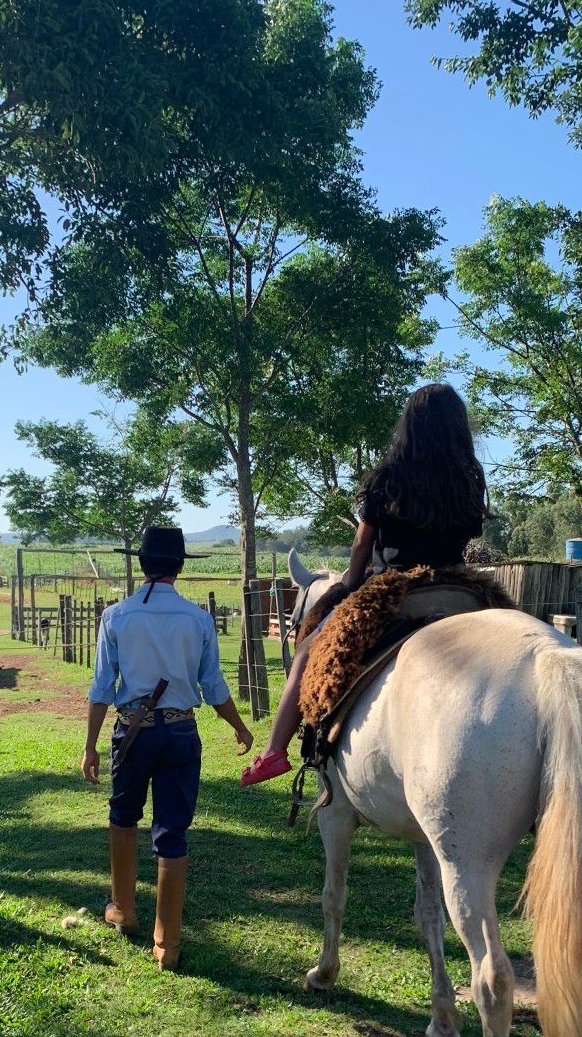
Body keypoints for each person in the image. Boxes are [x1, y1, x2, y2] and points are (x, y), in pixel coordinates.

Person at [240, 383, 488, 786]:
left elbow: (362, 542)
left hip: (395, 587)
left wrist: (349, 585)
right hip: (459, 585)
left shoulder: (389, 478)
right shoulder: (469, 479)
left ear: (410, 426)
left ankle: (274, 752)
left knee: (308, 650)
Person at [83, 524, 254, 969]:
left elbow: (103, 688)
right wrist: (238, 725)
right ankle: (168, 945)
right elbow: (213, 686)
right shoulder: (198, 619)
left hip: (132, 730)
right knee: (173, 830)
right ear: (179, 567)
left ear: (142, 565)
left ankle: (122, 909)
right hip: (180, 732)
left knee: (123, 816)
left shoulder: (116, 617)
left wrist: (90, 746)